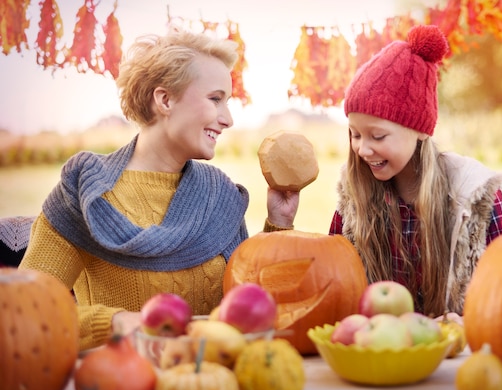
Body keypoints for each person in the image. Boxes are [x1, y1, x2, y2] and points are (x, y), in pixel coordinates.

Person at [19, 27, 298, 352]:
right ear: (164, 99)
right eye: (215, 99)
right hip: (120, 388)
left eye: (228, 102)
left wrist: (278, 224)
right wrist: (114, 323)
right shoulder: (85, 193)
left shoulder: (219, 195)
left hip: (213, 387)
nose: (228, 119)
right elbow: (26, 310)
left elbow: (249, 306)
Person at [328, 25, 502, 321]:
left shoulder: (475, 198)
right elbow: (331, 281)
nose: (362, 149)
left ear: (421, 132)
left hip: (455, 357)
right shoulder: (354, 201)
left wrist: (465, 324)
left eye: (377, 136)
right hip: (379, 354)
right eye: (355, 134)